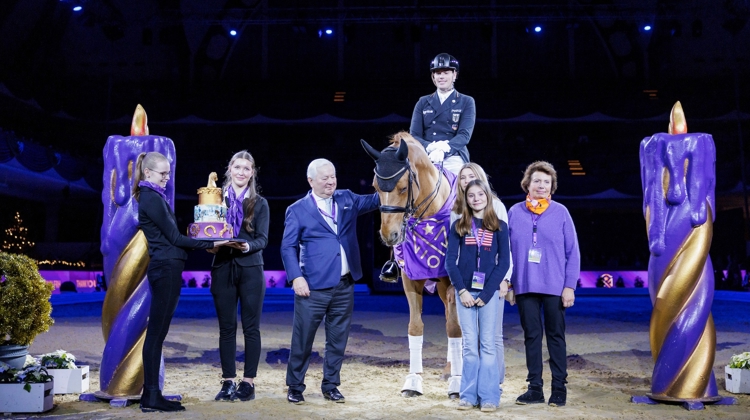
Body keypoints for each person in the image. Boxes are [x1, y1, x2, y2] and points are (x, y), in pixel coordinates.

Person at [133, 151, 230, 413]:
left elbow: (174, 238)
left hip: (167, 267)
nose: (167, 178)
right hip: (165, 268)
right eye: (162, 174)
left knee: (157, 334)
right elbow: (175, 239)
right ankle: (151, 396)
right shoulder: (152, 198)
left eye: (168, 173)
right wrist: (212, 243)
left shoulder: (153, 196)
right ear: (148, 173)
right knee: (156, 336)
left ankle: (151, 395)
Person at [281, 158, 379, 404]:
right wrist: (296, 277)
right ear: (311, 180)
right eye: (324, 178)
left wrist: (388, 175)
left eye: (333, 176)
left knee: (338, 339)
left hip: (345, 284)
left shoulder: (347, 198)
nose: (330, 181)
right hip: (312, 287)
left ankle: (331, 385)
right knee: (302, 339)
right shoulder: (298, 209)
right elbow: (287, 247)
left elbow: (377, 200)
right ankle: (295, 386)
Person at [507, 161, 580, 408]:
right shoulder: (515, 212)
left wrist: (569, 285)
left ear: (552, 187)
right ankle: (534, 388)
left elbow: (573, 252)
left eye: (546, 182)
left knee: (555, 337)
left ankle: (559, 389)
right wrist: (509, 284)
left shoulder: (561, 212)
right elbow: (506, 251)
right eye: (537, 180)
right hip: (525, 285)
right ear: (527, 183)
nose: (541, 185)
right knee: (531, 337)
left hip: (555, 287)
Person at [449, 162, 513, 398]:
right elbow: (450, 262)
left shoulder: (500, 226)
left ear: (487, 195)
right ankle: (467, 395)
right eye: (471, 195)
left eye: (480, 194)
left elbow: (504, 262)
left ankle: (489, 394)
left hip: (489, 292)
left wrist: (488, 293)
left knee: (488, 344)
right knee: (469, 347)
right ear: (466, 199)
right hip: (465, 291)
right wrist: (462, 291)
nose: (476, 198)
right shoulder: (458, 225)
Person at [210, 151, 269, 402]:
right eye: (237, 167)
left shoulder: (260, 203)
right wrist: (210, 243)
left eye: (247, 168)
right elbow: (207, 232)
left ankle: (248, 382)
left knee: (251, 328)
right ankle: (227, 382)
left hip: (250, 268)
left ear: (252, 172)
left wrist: (246, 246)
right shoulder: (214, 199)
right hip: (222, 266)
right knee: (226, 328)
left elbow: (263, 239)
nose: (242, 172)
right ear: (230, 169)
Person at [409, 53, 476, 175]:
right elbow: (414, 134)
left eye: (446, 73)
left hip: (454, 155)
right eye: (438, 73)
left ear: (454, 75)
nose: (441, 77)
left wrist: (444, 150)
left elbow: (464, 135)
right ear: (433, 76)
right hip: (426, 155)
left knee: (465, 185)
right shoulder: (423, 102)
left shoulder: (466, 101)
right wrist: (430, 147)